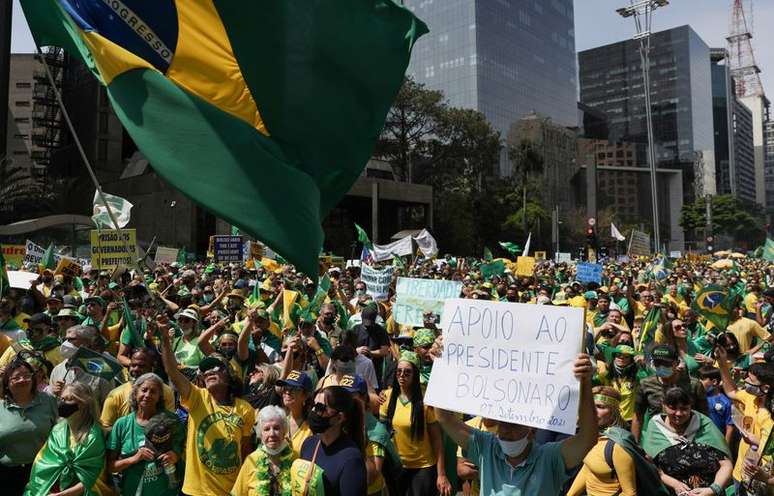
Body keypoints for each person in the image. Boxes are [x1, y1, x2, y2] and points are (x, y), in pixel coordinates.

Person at [434, 353, 598, 496]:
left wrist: (584, 382)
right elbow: (444, 418)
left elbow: (587, 438)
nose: (505, 431)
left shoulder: (550, 459)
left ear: (532, 431)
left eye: (514, 425)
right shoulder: (486, 447)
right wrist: (440, 367)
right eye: (502, 424)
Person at [158, 315, 255, 496]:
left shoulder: (245, 409)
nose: (209, 371)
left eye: (216, 368)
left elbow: (245, 451)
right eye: (205, 370)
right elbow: (171, 371)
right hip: (195, 491)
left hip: (230, 491)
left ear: (229, 374)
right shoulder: (197, 397)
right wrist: (164, 338)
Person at [379, 351, 451, 496]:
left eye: (407, 372)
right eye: (399, 371)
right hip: (396, 466)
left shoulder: (426, 402)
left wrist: (441, 474)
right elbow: (382, 433)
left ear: (415, 375)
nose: (401, 376)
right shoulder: (386, 397)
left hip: (423, 467)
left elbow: (437, 440)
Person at [641, 386, 732, 495]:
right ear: (663, 406)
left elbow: (726, 464)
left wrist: (712, 490)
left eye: (684, 408)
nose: (678, 413)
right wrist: (674, 483)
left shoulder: (705, 426)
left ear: (690, 406)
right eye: (673, 408)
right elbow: (650, 467)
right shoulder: (655, 428)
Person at [106, 373, 184, 495]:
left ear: (159, 397)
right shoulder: (122, 424)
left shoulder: (172, 421)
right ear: (135, 393)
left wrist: (175, 455)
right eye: (144, 390)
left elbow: (186, 450)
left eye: (153, 392)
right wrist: (134, 458)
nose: (147, 395)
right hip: (131, 491)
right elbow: (110, 466)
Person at [23, 383, 107, 496]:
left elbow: (90, 477)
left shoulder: (93, 436)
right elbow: (43, 462)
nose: (62, 403)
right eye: (62, 398)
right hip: (52, 489)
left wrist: (62, 495)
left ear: (83, 404)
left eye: (69, 399)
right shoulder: (58, 430)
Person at [0, 357, 58, 495]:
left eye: (27, 376)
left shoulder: (48, 400)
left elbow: (59, 432)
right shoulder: (0, 407)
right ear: (7, 383)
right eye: (16, 377)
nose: (22, 380)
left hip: (42, 471)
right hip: (6, 475)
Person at [567, 387, 637, 496]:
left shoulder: (618, 446)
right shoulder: (589, 436)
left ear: (613, 412)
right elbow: (589, 467)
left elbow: (630, 493)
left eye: (600, 407)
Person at [299, 385, 368, 496]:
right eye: (313, 405)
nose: (313, 410)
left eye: (320, 407)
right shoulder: (309, 444)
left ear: (340, 418)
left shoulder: (351, 459)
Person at [632, 344, 708, 441]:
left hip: (689, 438)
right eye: (657, 363)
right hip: (658, 439)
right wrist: (635, 445)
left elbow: (704, 416)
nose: (661, 366)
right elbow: (638, 417)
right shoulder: (645, 385)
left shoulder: (694, 385)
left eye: (666, 364)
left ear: (676, 363)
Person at [100, 348, 175, 430]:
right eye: (133, 365)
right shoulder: (115, 395)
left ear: (153, 367)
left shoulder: (165, 391)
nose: (135, 369)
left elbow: (169, 422)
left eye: (141, 366)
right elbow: (105, 427)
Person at [231, 405, 296, 495]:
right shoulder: (251, 460)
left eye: (276, 428)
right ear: (260, 434)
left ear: (284, 431)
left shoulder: (295, 459)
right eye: (266, 429)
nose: (272, 433)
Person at [48, 324, 115, 405]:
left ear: (86, 343)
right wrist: (54, 393)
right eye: (65, 339)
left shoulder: (102, 368)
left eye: (71, 339)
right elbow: (51, 403)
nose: (66, 343)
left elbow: (109, 402)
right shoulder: (58, 370)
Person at [277, 369, 314, 455]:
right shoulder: (279, 421)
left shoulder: (312, 427)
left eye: (293, 389)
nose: (287, 392)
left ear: (305, 396)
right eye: (285, 387)